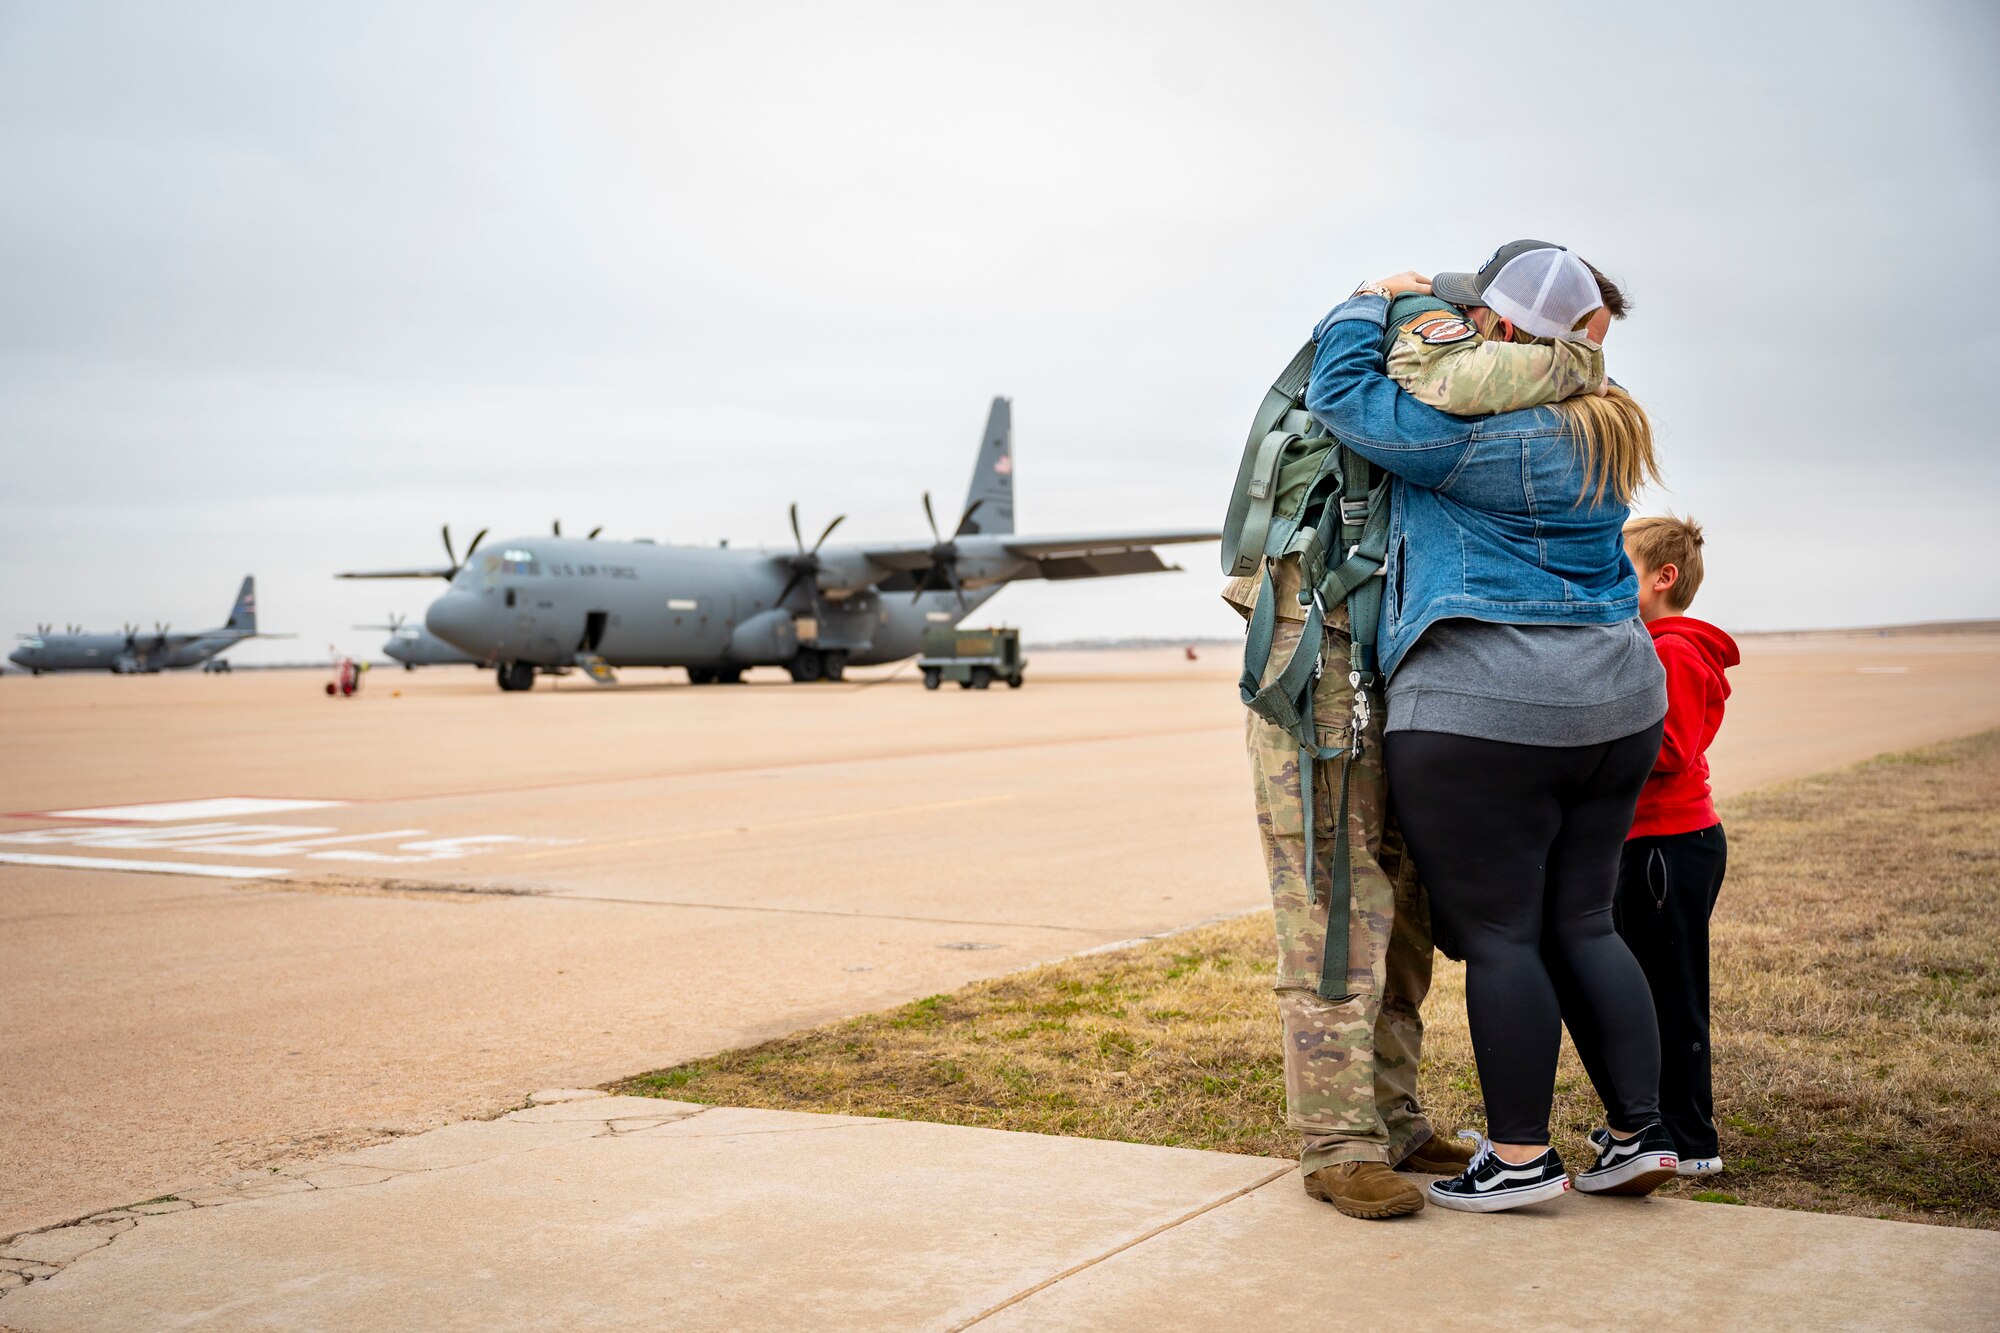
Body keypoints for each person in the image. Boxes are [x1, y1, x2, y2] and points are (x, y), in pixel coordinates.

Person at [1224, 253, 1624, 1219]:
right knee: (1333, 904)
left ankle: (1395, 1119)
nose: (1582, 361)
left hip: (1400, 663)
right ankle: (1336, 1141)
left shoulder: (1474, 349)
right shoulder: (1426, 339)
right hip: (1315, 659)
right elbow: (1400, 385)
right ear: (1504, 323)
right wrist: (1376, 299)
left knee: (1404, 897)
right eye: (1572, 338)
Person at [1304, 241, 1681, 1214]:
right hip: (1618, 707)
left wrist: (1364, 301)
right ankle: (1639, 1133)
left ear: (1502, 333)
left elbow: (1342, 396)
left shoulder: (1476, 436)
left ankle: (1516, 1156)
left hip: (1488, 712)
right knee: (1585, 922)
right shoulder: (1604, 424)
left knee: (1505, 935)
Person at [1605, 515, 1738, 1177]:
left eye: (1619, 565)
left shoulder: (1675, 651)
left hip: (1670, 843)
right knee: (1644, 989)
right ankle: (1651, 1124)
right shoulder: (1649, 644)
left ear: (1664, 577)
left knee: (1674, 995)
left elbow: (1669, 747)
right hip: (1647, 842)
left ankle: (1692, 1141)